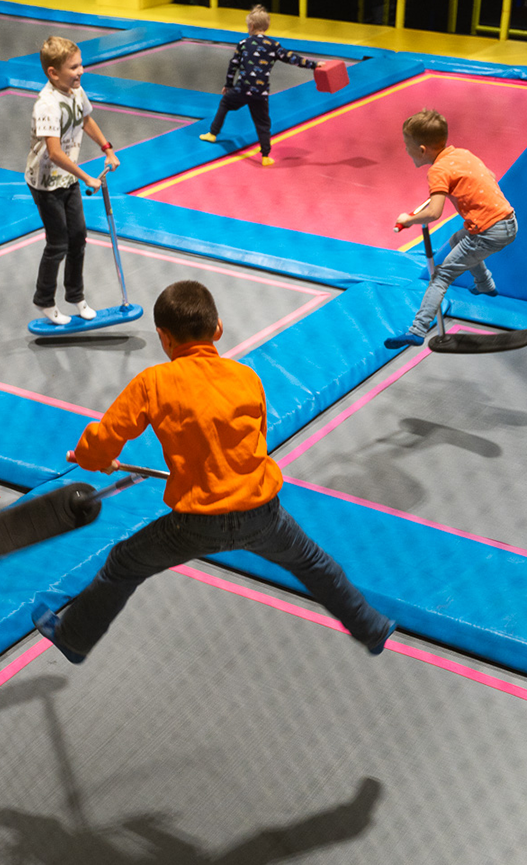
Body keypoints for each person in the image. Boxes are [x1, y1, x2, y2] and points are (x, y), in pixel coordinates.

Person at [32, 279, 396, 663]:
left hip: (195, 525)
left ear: (163, 337)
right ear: (218, 328)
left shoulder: (153, 383)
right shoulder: (246, 378)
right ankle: (371, 627)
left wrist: (89, 459)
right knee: (314, 564)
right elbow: (252, 444)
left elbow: (104, 441)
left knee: (124, 562)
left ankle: (74, 638)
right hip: (263, 516)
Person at [384, 108, 518, 349]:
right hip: (508, 221)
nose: (405, 150)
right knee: (458, 239)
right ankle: (485, 284)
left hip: (488, 230)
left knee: (441, 276)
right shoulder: (462, 154)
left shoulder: (438, 171)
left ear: (422, 150)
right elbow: (489, 175)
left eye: (406, 145)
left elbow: (434, 213)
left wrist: (408, 219)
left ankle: (416, 330)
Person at [25, 36, 119, 324]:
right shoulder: (47, 104)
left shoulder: (76, 91)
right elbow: (54, 153)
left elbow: (86, 120)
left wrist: (107, 148)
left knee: (78, 237)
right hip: (46, 183)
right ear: (54, 73)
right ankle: (44, 300)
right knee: (58, 243)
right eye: (74, 67)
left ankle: (76, 296)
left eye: (81, 65)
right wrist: (87, 177)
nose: (81, 71)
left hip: (67, 178)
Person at [199, 4, 320, 166]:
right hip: (260, 92)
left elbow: (233, 65)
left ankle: (213, 134)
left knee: (225, 103)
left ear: (251, 26)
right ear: (266, 27)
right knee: (262, 123)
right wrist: (314, 65)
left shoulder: (243, 43)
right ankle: (265, 156)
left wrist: (228, 85)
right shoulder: (273, 45)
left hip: (243, 89)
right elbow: (292, 58)